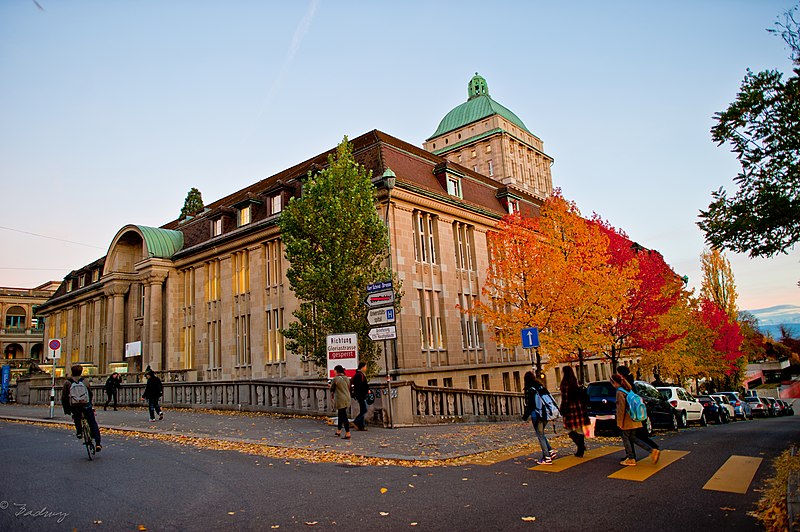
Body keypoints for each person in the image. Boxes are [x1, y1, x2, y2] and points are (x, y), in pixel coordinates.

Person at [611, 373, 660, 466]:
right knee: (633, 438)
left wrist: (619, 423)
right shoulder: (628, 390)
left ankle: (631, 458)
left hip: (627, 420)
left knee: (626, 438)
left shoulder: (619, 393)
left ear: (615, 383)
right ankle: (652, 450)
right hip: (635, 418)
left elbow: (621, 409)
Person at [61, 364, 102, 452]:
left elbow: (64, 397)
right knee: (92, 422)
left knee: (77, 417)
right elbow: (90, 394)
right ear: (81, 371)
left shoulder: (67, 382)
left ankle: (79, 432)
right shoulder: (85, 381)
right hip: (86, 405)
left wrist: (67, 409)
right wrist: (90, 403)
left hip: (75, 405)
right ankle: (98, 443)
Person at [522, 370, 557, 465]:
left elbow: (530, 405)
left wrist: (524, 417)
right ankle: (550, 451)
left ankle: (546, 457)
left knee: (540, 435)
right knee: (541, 434)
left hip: (537, 415)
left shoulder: (530, 389)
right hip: (546, 414)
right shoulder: (541, 387)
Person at [559, 366, 589, 457]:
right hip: (579, 407)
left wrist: (562, 409)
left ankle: (580, 446)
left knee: (569, 429)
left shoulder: (564, 383)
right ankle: (581, 447)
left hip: (570, 408)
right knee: (579, 429)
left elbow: (565, 398)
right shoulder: (575, 381)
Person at [330, 365, 351, 439]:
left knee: (344, 416)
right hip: (347, 398)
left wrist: (329, 386)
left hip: (340, 399)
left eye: (334, 370)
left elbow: (331, 388)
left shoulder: (335, 379)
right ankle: (338, 430)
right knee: (340, 414)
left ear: (337, 371)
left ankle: (347, 433)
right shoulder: (347, 378)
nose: (334, 371)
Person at [350, 361, 369, 431]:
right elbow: (360, 386)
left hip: (360, 395)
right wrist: (365, 392)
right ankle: (356, 421)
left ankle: (361, 426)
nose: (366, 368)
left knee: (362, 409)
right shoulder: (359, 375)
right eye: (365, 366)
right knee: (364, 409)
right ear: (363, 367)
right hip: (361, 395)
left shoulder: (359, 374)